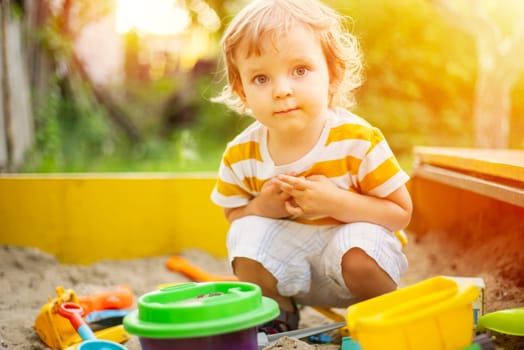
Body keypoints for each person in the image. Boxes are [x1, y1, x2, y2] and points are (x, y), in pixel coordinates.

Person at [210, 0, 412, 333]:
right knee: (243, 231)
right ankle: (277, 312)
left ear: (333, 74)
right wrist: (264, 207)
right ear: (241, 91)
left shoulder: (357, 140)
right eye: (261, 78)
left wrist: (336, 203)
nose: (282, 90)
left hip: (355, 263)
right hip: (290, 270)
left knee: (359, 245)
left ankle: (382, 314)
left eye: (300, 70)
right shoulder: (240, 154)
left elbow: (400, 212)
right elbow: (233, 215)